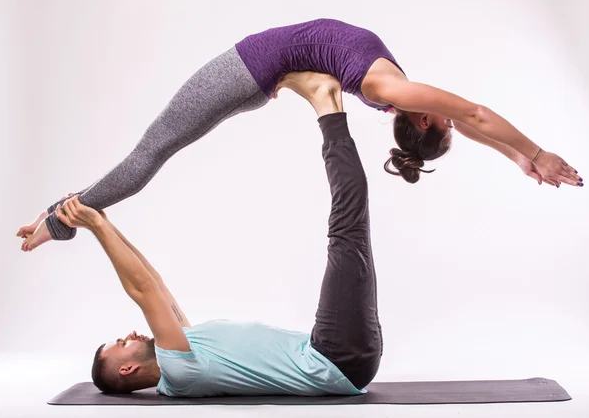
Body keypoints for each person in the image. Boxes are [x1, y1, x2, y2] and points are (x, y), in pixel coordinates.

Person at [17, 18, 582, 251]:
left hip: (250, 67)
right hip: (260, 79)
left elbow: (475, 113)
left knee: (152, 149)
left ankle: (58, 219)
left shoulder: (396, 92)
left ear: (426, 121)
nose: (449, 116)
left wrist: (535, 151)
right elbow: (473, 124)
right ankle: (60, 218)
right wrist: (516, 159)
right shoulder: (395, 96)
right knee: (159, 148)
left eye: (444, 122)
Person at [53, 79, 382, 396]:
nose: (130, 335)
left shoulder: (185, 346)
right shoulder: (180, 371)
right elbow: (143, 290)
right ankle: (327, 103)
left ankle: (328, 103)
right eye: (123, 344)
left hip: (335, 353)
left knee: (348, 227)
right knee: (346, 227)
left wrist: (106, 224)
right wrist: (96, 226)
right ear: (127, 370)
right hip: (336, 358)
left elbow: (155, 282)